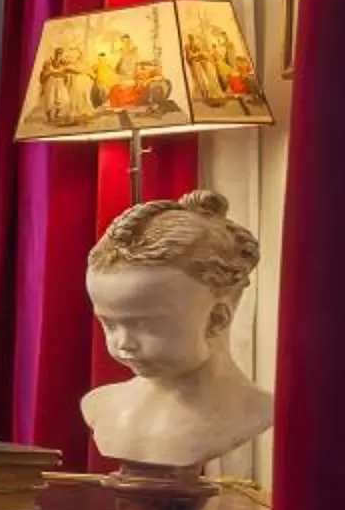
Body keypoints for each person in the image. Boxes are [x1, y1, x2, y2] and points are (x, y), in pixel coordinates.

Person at [80, 190, 272, 469]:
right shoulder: (102, 406)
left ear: (217, 318)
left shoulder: (258, 414)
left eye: (146, 325)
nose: (123, 343)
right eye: (108, 323)